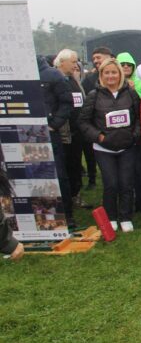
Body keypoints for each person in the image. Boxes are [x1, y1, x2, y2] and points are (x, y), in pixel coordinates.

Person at [78, 58, 141, 232]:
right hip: (103, 148)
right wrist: (99, 137)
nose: (111, 76)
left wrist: (134, 136)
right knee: (111, 183)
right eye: (107, 73)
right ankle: (111, 217)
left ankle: (126, 217)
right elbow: (83, 122)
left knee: (126, 183)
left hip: (127, 147)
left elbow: (139, 118)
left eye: (114, 72)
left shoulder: (130, 94)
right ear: (101, 75)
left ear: (120, 74)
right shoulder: (94, 95)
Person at [37, 55, 75, 229]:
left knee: (58, 175)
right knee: (31, 175)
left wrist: (54, 124)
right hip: (22, 133)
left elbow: (67, 102)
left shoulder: (52, 74)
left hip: (49, 134)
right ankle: (39, 216)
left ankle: (67, 214)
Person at [117, 51, 141, 212]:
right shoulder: (112, 84)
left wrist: (133, 91)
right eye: (123, 64)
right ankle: (125, 201)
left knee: (138, 168)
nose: (126, 67)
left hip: (138, 132)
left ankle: (140, 201)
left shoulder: (140, 84)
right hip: (119, 134)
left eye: (129, 64)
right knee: (122, 169)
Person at [54, 49, 86, 208]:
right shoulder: (55, 80)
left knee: (75, 163)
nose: (76, 65)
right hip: (63, 132)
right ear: (62, 62)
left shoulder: (74, 79)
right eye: (73, 62)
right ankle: (66, 197)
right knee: (65, 165)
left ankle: (76, 194)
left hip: (77, 130)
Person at [80, 46, 113, 191]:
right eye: (94, 59)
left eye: (98, 57)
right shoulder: (90, 79)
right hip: (95, 124)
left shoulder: (118, 74)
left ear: (108, 57)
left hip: (116, 126)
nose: (95, 61)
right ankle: (92, 178)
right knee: (90, 152)